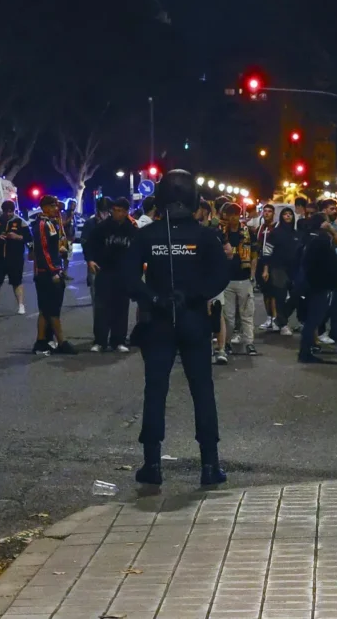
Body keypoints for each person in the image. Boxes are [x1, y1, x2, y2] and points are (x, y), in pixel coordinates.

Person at [123, 169, 230, 486]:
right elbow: (221, 275)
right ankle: (209, 465)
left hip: (157, 320)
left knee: (155, 390)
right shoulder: (205, 236)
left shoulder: (146, 235)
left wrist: (154, 298)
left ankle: (152, 464)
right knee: (203, 390)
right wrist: (195, 295)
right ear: (195, 200)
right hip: (194, 318)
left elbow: (128, 278)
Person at [296, 211, 337, 364]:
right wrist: (330, 230)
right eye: (326, 221)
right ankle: (305, 353)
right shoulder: (320, 238)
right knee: (314, 319)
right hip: (324, 286)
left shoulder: (312, 237)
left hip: (326, 285)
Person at [85, 197, 136, 352]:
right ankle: (100, 341)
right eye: (114, 210)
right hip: (104, 271)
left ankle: (118, 340)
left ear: (126, 212)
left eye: (120, 211)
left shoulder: (131, 229)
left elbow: (138, 249)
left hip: (123, 273)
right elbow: (89, 244)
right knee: (102, 307)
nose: (116, 213)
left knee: (121, 307)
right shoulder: (103, 227)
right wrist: (90, 260)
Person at [31, 195, 76, 355]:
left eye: (56, 206)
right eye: (52, 206)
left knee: (45, 309)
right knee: (53, 310)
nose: (56, 209)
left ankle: (41, 341)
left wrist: (59, 250)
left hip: (51, 269)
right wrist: (53, 271)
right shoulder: (42, 224)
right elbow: (42, 250)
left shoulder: (51, 223)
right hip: (46, 273)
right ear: (44, 207)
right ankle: (61, 342)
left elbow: (51, 247)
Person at [218, 203, 257, 356]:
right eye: (230, 214)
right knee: (228, 317)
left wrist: (252, 275)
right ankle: (226, 343)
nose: (233, 217)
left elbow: (254, 255)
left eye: (236, 213)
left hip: (244, 278)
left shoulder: (248, 232)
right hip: (226, 280)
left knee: (247, 313)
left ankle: (249, 342)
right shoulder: (220, 233)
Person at [260, 207, 299, 335]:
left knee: (297, 295)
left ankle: (280, 319)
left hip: (293, 269)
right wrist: (266, 269)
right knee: (280, 296)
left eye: (290, 214)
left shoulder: (295, 234)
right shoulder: (276, 233)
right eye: (285, 214)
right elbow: (267, 251)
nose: (288, 216)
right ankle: (283, 325)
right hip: (278, 268)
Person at [0, 200, 28, 316]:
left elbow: (29, 238)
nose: (8, 214)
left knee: (17, 282)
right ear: (3, 211)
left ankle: (20, 305)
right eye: (6, 211)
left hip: (15, 258)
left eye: (11, 211)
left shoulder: (21, 222)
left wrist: (16, 236)